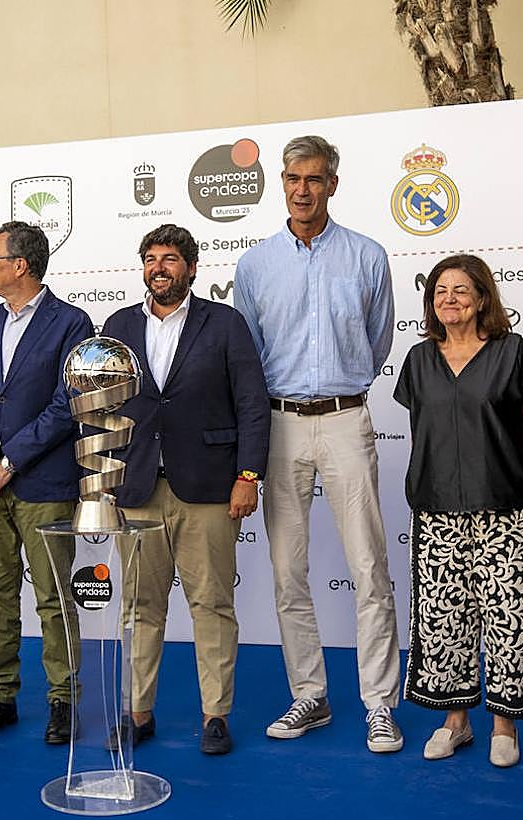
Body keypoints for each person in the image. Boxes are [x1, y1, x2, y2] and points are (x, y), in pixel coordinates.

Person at [234, 135, 403, 753]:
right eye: (291, 179)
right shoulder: (254, 266)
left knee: (369, 567)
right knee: (286, 571)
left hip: (345, 418)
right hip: (278, 426)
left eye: (313, 179)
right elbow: (247, 358)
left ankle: (379, 705)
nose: (301, 189)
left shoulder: (366, 255)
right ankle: (311, 695)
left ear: (333, 183)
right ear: (281, 184)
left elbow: (377, 343)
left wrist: (338, 383)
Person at [101, 224, 269, 755]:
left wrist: (248, 475)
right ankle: (138, 712)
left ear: (192, 268)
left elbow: (251, 404)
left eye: (170, 258)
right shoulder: (118, 325)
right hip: (137, 487)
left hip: (209, 487)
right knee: (138, 606)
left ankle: (215, 715)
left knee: (212, 605)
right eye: (150, 258)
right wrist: (103, 478)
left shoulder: (225, 323)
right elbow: (102, 406)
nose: (159, 267)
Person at [393, 254, 523, 769]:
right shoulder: (419, 359)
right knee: (444, 620)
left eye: (462, 290)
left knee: (509, 620)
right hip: (437, 507)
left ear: (483, 298)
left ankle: (504, 726)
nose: (450, 299)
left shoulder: (512, 352)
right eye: (440, 291)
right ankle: (455, 723)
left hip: (504, 504)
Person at [0, 221, 93, 742]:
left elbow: (69, 404)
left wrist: (10, 461)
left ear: (21, 265)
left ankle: (64, 701)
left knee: (54, 597)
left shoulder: (71, 322)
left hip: (42, 484)